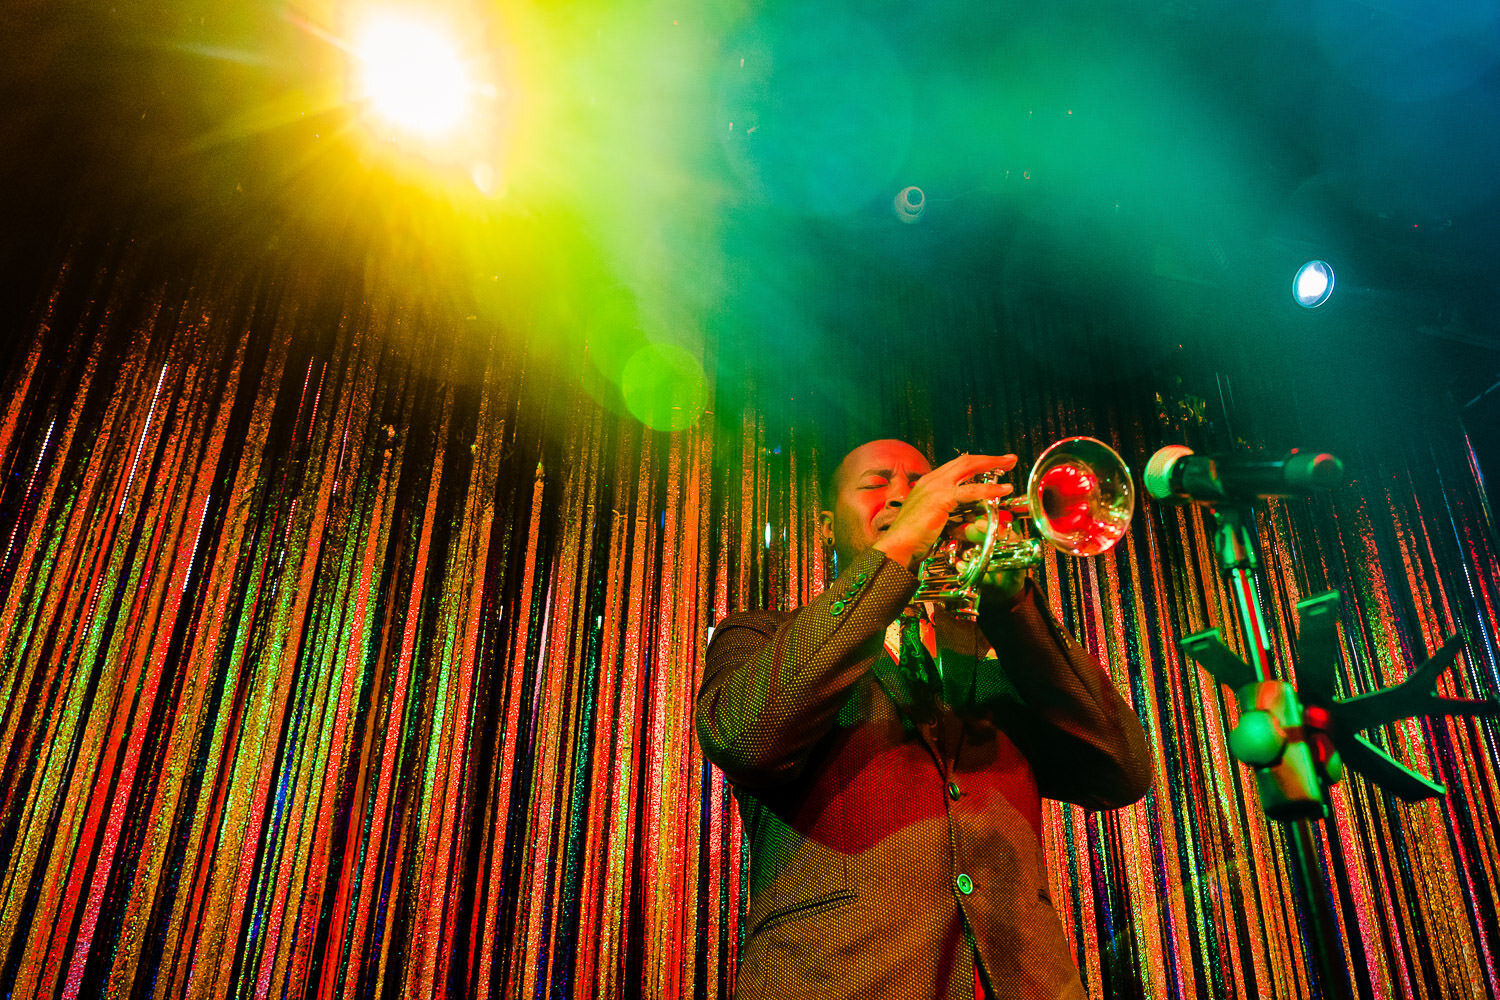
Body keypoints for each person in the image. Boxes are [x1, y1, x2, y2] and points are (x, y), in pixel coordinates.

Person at [696, 438, 1153, 999]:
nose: (903, 497)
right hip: (837, 978)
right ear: (823, 526)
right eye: (875, 484)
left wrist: (1014, 605)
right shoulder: (762, 636)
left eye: (920, 484)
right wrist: (899, 550)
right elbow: (746, 739)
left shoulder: (1000, 644)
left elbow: (1121, 770)